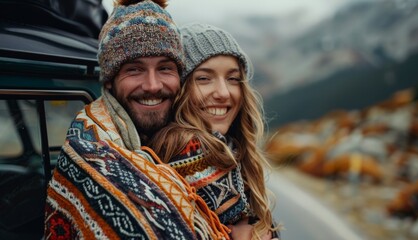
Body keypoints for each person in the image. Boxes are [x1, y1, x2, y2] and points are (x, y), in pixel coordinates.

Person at [44, 1, 230, 239]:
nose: (152, 85)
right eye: (134, 70)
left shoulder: (197, 142)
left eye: (165, 68)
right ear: (110, 80)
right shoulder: (90, 148)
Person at [149, 23, 280, 239]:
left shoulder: (226, 146)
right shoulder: (185, 148)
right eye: (203, 78)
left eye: (232, 79)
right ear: (181, 89)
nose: (223, 92)